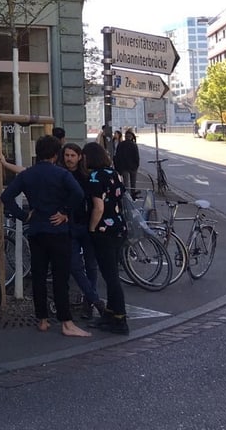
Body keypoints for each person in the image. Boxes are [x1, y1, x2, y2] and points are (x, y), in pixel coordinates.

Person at [2, 135, 91, 338]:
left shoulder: (27, 175)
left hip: (36, 230)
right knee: (61, 277)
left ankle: (42, 319)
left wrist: (24, 215)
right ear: (55, 154)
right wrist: (65, 212)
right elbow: (78, 194)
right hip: (58, 230)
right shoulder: (61, 174)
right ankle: (66, 322)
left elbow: (6, 197)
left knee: (39, 275)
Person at [83, 142, 130, 335]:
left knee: (110, 276)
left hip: (104, 230)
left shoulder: (94, 177)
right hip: (119, 227)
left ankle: (119, 319)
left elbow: (98, 207)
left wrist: (92, 228)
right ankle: (111, 314)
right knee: (112, 274)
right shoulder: (114, 173)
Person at [62, 143, 105, 321]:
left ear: (80, 157)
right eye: (66, 155)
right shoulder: (61, 175)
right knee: (75, 266)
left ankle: (89, 302)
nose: (69, 159)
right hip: (70, 226)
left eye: (72, 155)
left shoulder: (87, 176)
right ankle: (96, 300)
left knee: (91, 266)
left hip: (87, 225)